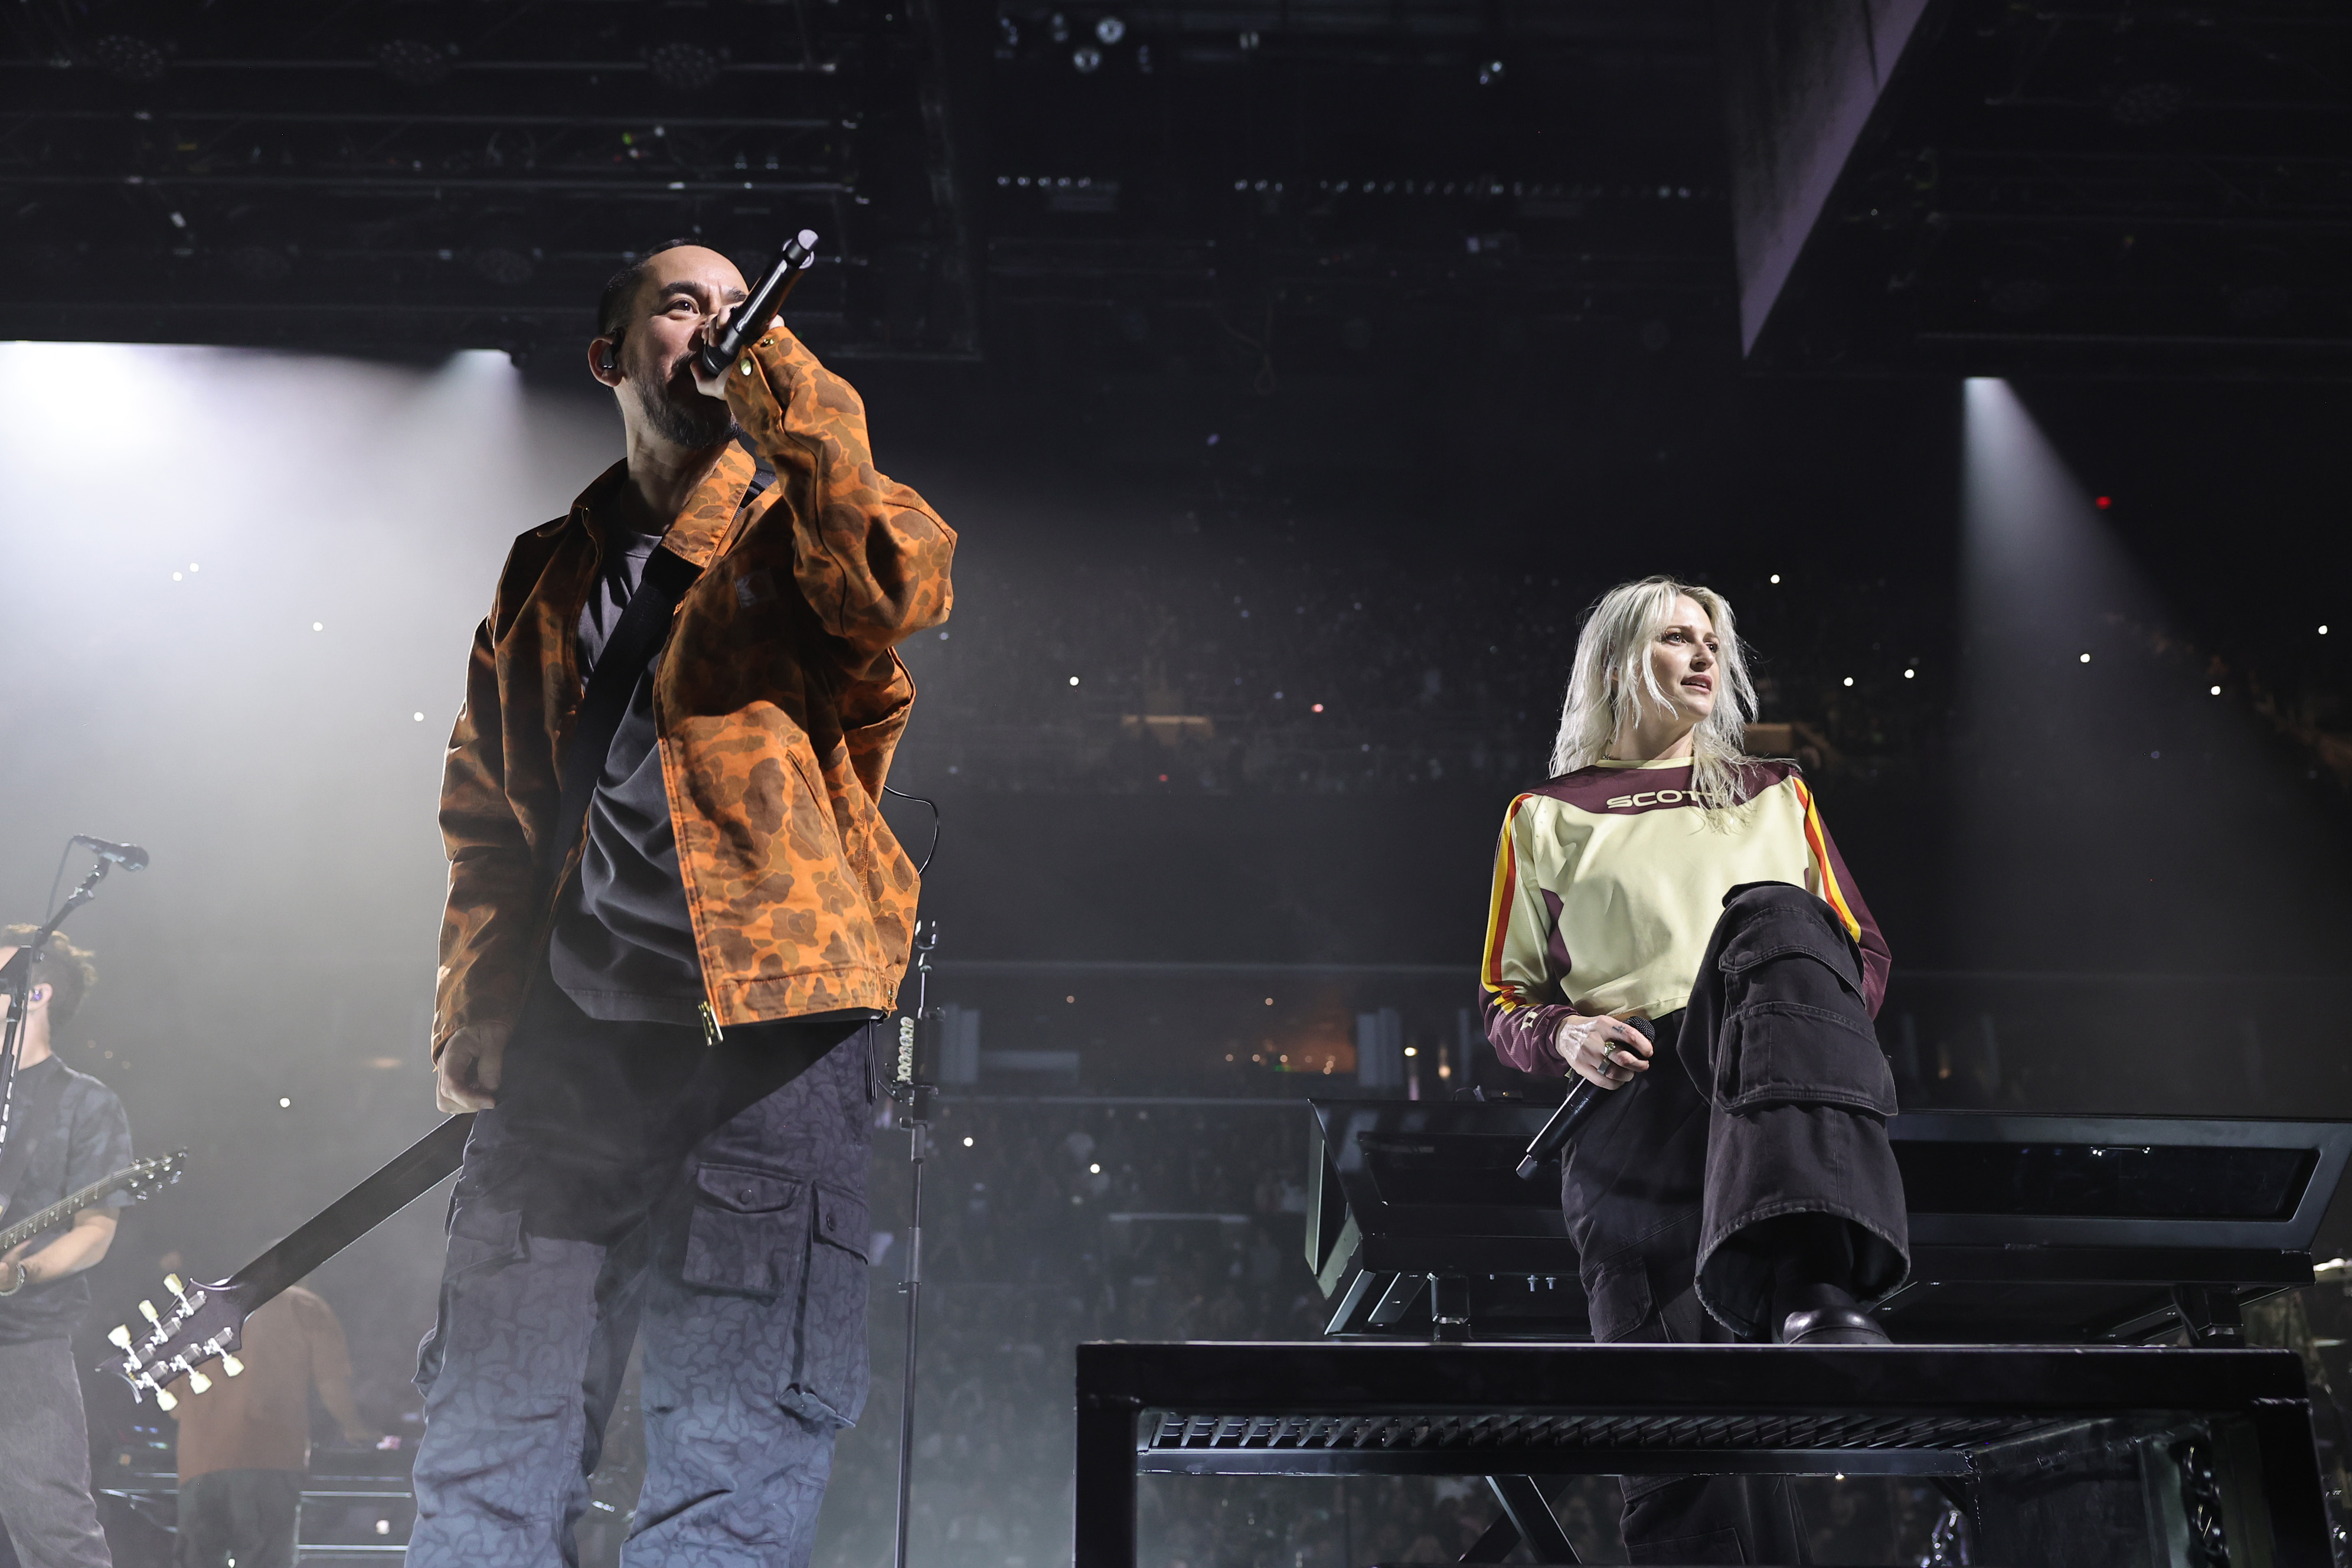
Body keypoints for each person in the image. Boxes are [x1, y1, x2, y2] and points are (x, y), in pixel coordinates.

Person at [407, 237, 953, 1568]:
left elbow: (901, 577)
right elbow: (486, 810)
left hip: (764, 1045)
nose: (718, 324)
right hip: (574, 1039)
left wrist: (784, 381)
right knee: (487, 1425)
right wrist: (479, 1003)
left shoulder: (799, 544)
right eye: (682, 306)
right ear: (611, 354)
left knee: (730, 1444)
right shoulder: (544, 572)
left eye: (739, 306)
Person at [1478, 577, 1902, 1565]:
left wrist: (1779, 1034)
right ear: (1622, 660)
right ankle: (1807, 1286)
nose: (1707, 657)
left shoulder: (1775, 794)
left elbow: (1862, 960)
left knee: (1773, 918)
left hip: (1765, 1087)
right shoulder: (1544, 817)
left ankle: (1811, 1279)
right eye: (1678, 639)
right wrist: (1567, 1037)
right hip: (1631, 1118)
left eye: (1713, 640)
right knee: (1677, 1450)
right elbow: (1504, 1007)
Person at [0, 931, 132, 1568]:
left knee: (55, 1533)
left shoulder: (85, 1102)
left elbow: (95, 1231)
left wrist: (20, 1271)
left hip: (21, 1346)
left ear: (36, 993)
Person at [162, 1283, 373, 1568]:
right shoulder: (304, 1304)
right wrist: (356, 1428)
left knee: (197, 1560)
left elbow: (174, 1406)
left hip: (199, 1465)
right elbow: (331, 1383)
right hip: (268, 1457)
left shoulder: (201, 1308)